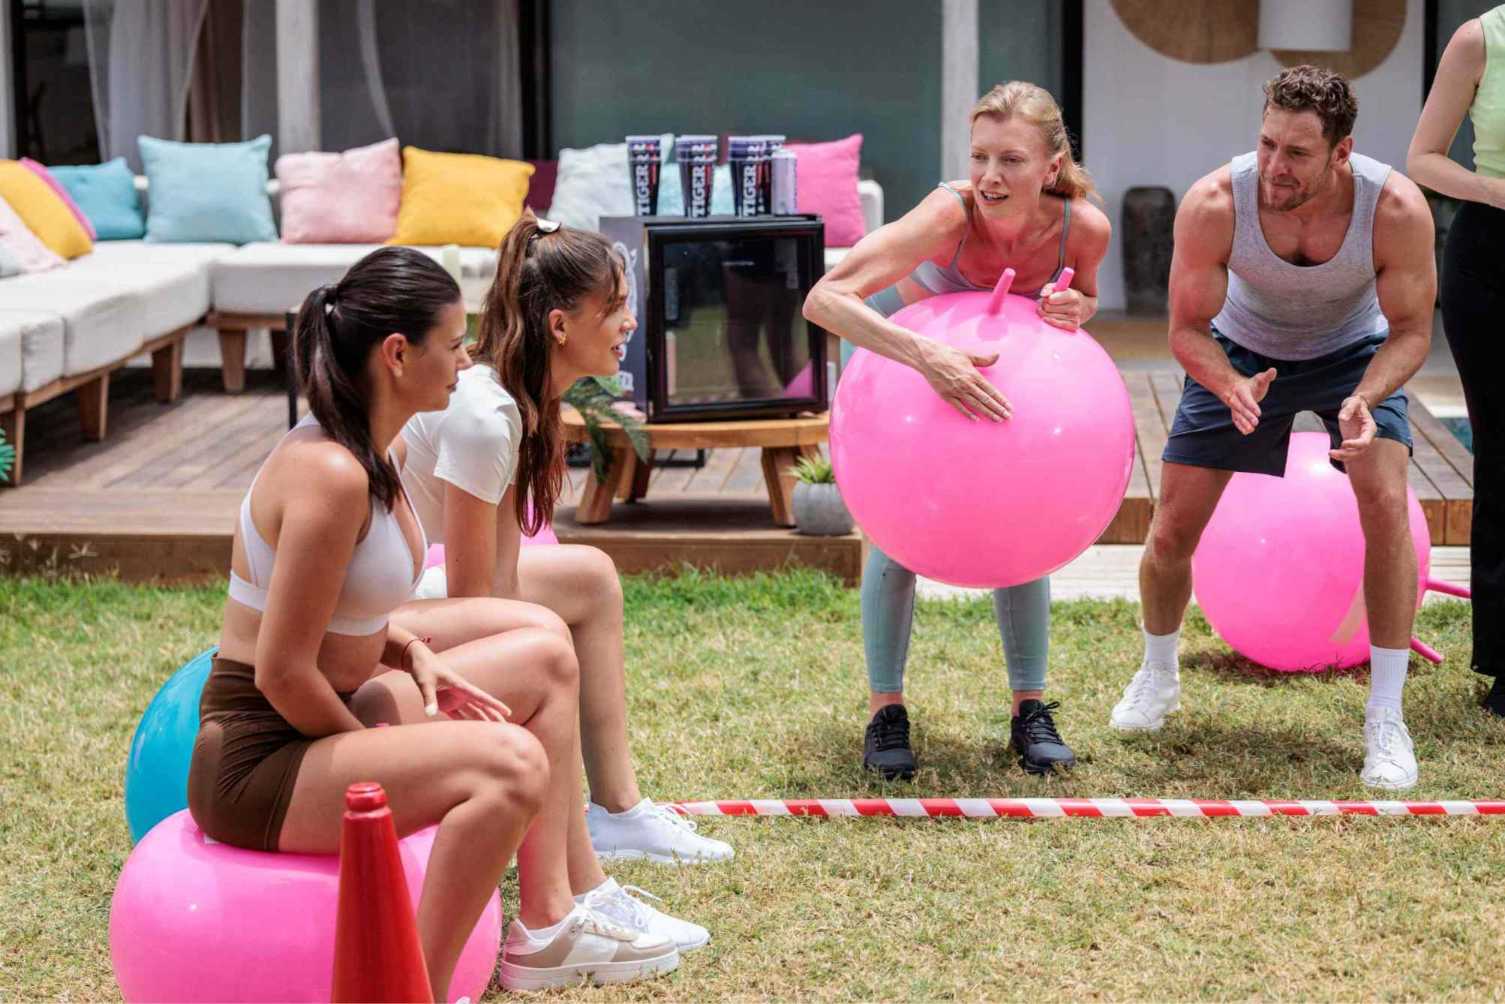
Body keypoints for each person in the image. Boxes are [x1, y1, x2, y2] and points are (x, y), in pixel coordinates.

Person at [186, 247, 678, 998]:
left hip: (322, 716)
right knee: (510, 765)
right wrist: (379, 760)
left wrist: (409, 646)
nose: (466, 360)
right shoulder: (331, 474)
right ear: (397, 354)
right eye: (452, 345)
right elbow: (280, 671)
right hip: (259, 761)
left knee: (546, 659)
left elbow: (336, 610)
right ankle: (409, 992)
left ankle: (548, 926)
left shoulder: (369, 452)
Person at [396, 214, 731, 941]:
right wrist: (537, 644)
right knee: (542, 635)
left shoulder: (518, 402)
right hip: (394, 619)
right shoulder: (484, 416)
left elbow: (499, 576)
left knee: (590, 577)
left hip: (424, 597)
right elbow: (471, 599)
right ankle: (581, 881)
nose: (629, 323)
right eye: (614, 308)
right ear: (558, 324)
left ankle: (617, 811)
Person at [1109, 66, 1437, 790]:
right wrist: (1227, 383)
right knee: (1171, 529)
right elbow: (1185, 328)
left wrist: (1366, 395)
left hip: (1354, 354)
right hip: (1240, 351)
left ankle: (1386, 715)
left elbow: (1412, 331)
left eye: (1295, 153)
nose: (1273, 166)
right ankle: (1157, 674)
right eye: (1266, 144)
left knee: (1385, 505)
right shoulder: (1214, 203)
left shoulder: (1394, 209)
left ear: (1341, 152)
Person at [803, 81, 1111, 779]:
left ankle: (1029, 709)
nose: (989, 177)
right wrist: (927, 357)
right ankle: (885, 711)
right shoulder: (949, 213)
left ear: (1051, 167)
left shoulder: (1084, 228)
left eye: (1010, 160)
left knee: (1022, 524)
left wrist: (1076, 307)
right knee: (896, 534)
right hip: (899, 366)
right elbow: (825, 299)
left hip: (1002, 378)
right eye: (979, 157)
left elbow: (1087, 297)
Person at [1407, 6, 1505, 716]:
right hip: (1493, 259)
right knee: (1502, 457)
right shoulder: (1481, 39)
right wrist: (1498, 190)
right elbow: (1424, 158)